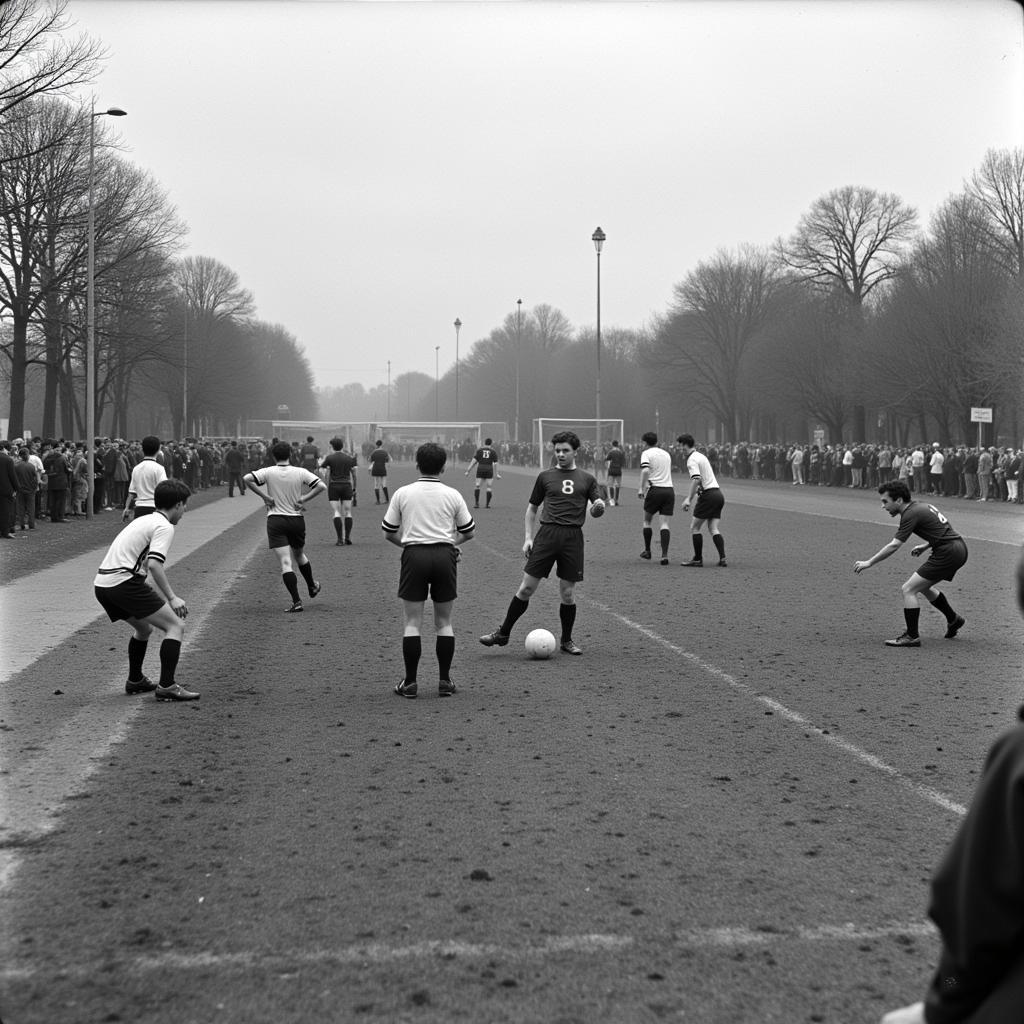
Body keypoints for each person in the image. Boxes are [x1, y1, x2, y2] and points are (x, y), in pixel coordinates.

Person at [879, 547, 1024, 1024]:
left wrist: (947, 1000)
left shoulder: (1017, 754)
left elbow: (974, 915)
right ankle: (951, 617)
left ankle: (912, 634)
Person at [479, 430, 604, 656]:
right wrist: (528, 537)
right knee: (526, 588)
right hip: (546, 536)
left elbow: (597, 506)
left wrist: (597, 508)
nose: (560, 454)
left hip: (572, 538)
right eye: (557, 450)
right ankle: (503, 633)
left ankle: (566, 640)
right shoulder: (545, 477)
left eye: (565, 450)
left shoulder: (588, 479)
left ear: (576, 451)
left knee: (567, 593)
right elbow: (532, 509)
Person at [382, 442, 475, 698]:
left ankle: (410, 683)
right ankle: (445, 681)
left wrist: (409, 544)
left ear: (417, 464)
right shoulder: (453, 494)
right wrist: (450, 543)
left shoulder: (403, 493)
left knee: (412, 622)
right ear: (443, 467)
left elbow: (388, 531)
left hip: (414, 556)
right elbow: (469, 532)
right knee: (444, 623)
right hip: (445, 557)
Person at [93, 479, 198, 701]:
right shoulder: (164, 526)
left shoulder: (144, 520)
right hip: (123, 583)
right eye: (185, 505)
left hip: (103, 585)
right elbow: (153, 564)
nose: (185, 510)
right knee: (175, 626)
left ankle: (135, 680)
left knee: (143, 628)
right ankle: (167, 686)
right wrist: (172, 598)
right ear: (178, 504)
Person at [853, 479, 967, 647]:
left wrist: (869, 562)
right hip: (958, 548)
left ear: (899, 500)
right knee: (923, 586)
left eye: (885, 501)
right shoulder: (921, 506)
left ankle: (912, 636)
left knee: (908, 589)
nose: (883, 506)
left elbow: (894, 545)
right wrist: (926, 545)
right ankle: (953, 619)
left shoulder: (910, 514)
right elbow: (945, 530)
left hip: (947, 552)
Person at [244, 440, 327, 612]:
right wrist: (304, 498)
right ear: (290, 454)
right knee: (299, 555)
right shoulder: (300, 471)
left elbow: (247, 479)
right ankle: (312, 585)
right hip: (296, 519)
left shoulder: (268, 471)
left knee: (285, 562)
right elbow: (321, 486)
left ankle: (297, 601)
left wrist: (265, 497)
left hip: (276, 520)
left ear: (273, 455)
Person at [676, 434, 727, 567]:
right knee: (713, 527)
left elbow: (697, 479)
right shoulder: (701, 456)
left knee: (695, 527)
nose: (679, 448)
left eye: (680, 445)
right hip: (718, 494)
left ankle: (697, 559)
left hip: (708, 496)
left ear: (685, 445)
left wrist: (688, 498)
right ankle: (723, 558)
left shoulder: (692, 459)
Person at [637, 431, 674, 565]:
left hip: (655, 489)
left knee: (647, 521)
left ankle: (647, 550)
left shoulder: (646, 453)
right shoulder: (666, 454)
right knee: (664, 524)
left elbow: (646, 470)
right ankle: (664, 555)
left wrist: (641, 487)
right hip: (669, 490)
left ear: (645, 442)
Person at [320, 437, 358, 545]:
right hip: (347, 486)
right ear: (342, 446)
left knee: (337, 512)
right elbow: (354, 475)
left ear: (332, 446)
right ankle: (348, 537)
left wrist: (326, 482)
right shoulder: (349, 458)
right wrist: (354, 488)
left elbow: (322, 469)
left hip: (334, 486)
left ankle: (339, 539)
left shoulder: (329, 458)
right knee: (348, 512)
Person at [123, 435, 168, 521]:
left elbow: (131, 492)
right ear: (158, 449)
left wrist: (126, 508)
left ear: (143, 449)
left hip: (139, 508)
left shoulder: (136, 468)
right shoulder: (159, 468)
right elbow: (164, 489)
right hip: (155, 507)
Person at [464, 437, 501, 509]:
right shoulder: (493, 452)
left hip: (480, 469)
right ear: (491, 443)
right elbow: (496, 464)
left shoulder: (479, 450)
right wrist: (497, 474)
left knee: (477, 485)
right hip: (489, 469)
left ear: (484, 443)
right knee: (489, 487)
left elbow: (474, 461)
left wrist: (468, 470)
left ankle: (476, 503)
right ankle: (487, 504)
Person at [368, 439, 391, 504]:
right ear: (381, 444)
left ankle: (378, 501)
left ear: (376, 445)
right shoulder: (385, 452)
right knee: (384, 484)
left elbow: (369, 459)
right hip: (383, 469)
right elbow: (389, 459)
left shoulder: (374, 452)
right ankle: (387, 500)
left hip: (375, 469)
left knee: (376, 485)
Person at [604, 439, 625, 506]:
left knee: (611, 485)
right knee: (618, 485)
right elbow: (623, 462)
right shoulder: (621, 452)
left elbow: (607, 458)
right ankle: (616, 500)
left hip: (612, 469)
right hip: (618, 470)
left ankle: (612, 500)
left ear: (612, 445)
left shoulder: (611, 452)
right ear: (617, 445)